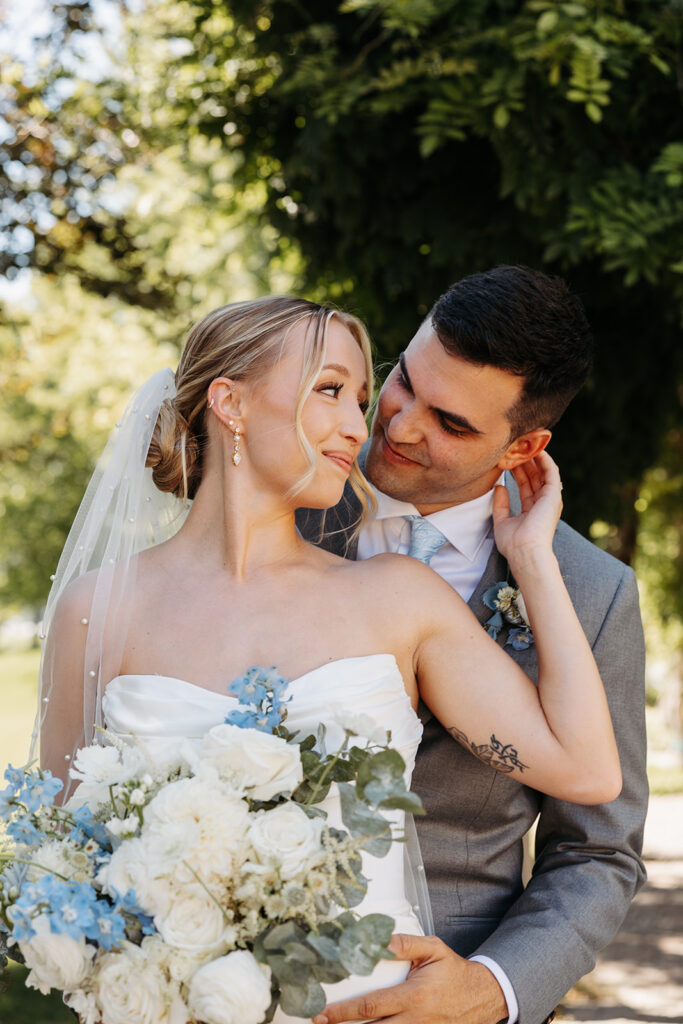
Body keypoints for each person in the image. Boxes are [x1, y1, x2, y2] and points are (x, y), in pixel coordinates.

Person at [35, 295, 621, 1024]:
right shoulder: (98, 609)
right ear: (230, 402)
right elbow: (60, 857)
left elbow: (590, 776)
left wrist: (530, 556)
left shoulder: (399, 595)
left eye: (359, 397)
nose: (367, 424)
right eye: (332, 391)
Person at [296, 267, 648, 1024]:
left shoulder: (593, 594)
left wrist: (492, 988)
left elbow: (597, 849)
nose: (399, 426)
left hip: (459, 985)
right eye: (403, 382)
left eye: (451, 423)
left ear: (524, 446)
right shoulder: (281, 513)